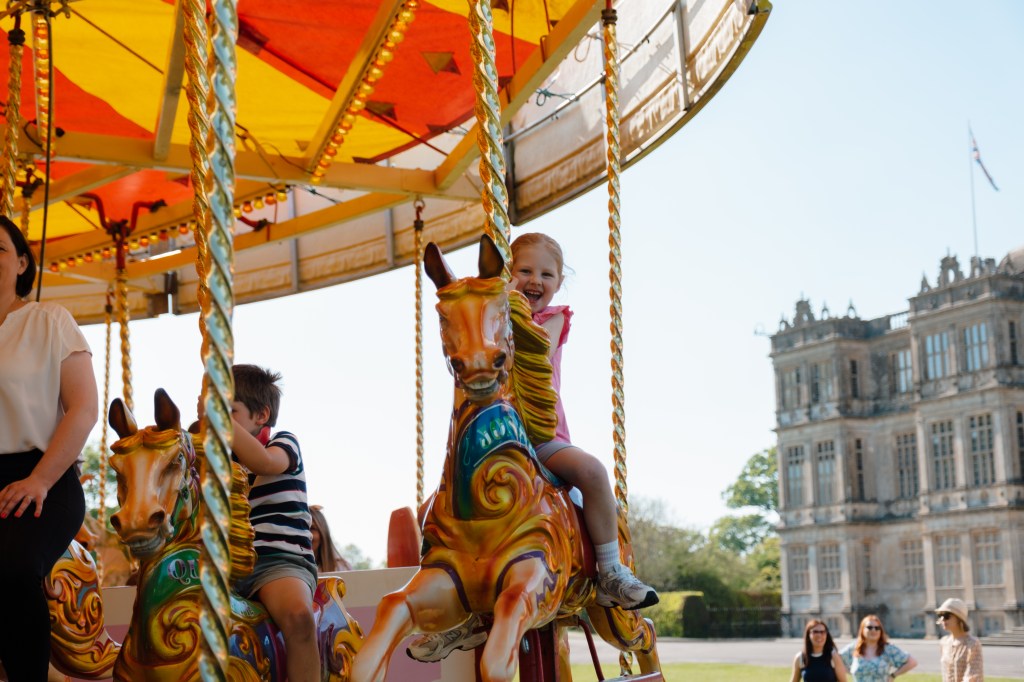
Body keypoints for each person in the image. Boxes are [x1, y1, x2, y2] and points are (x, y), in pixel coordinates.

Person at [408, 232, 658, 662]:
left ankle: (611, 570)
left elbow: (536, 346)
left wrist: (502, 303)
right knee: (433, 510)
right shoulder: (490, 320)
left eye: (547, 274)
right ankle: (459, 607)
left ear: (559, 283)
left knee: (593, 472)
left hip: (541, 440)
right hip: (489, 443)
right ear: (509, 273)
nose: (534, 280)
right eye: (524, 271)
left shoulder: (554, 319)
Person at [0, 216, 98, 681]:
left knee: (14, 568)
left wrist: (39, 479)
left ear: (22, 262)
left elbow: (83, 408)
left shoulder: (49, 321)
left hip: (43, 475)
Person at [223, 364, 320, 682]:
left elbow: (264, 462)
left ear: (261, 415)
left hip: (279, 560)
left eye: (229, 411)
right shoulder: (219, 461)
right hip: (228, 565)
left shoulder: (282, 443)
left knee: (298, 617)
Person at [839, 615, 917, 682]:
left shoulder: (888, 649)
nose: (874, 630)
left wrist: (893, 675)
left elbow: (912, 662)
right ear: (862, 630)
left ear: (881, 631)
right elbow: (836, 660)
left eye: (877, 628)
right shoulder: (854, 648)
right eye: (869, 627)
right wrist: (849, 672)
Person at [936, 597, 983, 681]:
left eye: (946, 616)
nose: (942, 619)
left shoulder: (972, 643)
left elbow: (973, 675)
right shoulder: (944, 642)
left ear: (959, 618)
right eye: (940, 615)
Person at [310, 505, 351, 572]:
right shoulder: (290, 568)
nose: (306, 534)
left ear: (323, 534)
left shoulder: (341, 568)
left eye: (312, 528)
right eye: (300, 528)